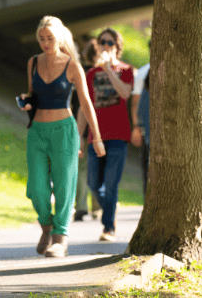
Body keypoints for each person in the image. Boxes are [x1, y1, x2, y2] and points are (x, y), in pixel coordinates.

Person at [21, 16, 104, 256]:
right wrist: (26, 102)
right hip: (37, 131)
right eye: (41, 39)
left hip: (64, 131)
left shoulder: (72, 65)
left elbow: (86, 103)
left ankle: (60, 238)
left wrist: (96, 137)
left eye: (50, 38)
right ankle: (46, 227)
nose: (45, 42)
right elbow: (31, 94)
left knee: (65, 185)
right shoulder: (33, 62)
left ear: (60, 38)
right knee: (37, 187)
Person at [78, 28, 132, 242]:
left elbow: (125, 93)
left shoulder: (126, 70)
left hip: (118, 136)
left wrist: (109, 69)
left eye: (110, 43)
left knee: (110, 184)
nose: (106, 46)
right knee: (93, 183)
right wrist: (79, 137)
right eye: (102, 42)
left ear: (117, 48)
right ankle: (111, 204)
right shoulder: (90, 74)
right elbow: (84, 107)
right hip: (95, 137)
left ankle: (108, 227)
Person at [75, 39, 102, 221]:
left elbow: (77, 103)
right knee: (97, 165)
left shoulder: (81, 73)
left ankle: (81, 206)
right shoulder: (99, 74)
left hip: (82, 124)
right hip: (99, 126)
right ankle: (97, 207)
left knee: (82, 167)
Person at [131, 41, 150, 196]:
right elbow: (136, 102)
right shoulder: (143, 72)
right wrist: (137, 127)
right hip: (147, 128)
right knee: (147, 165)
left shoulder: (143, 72)